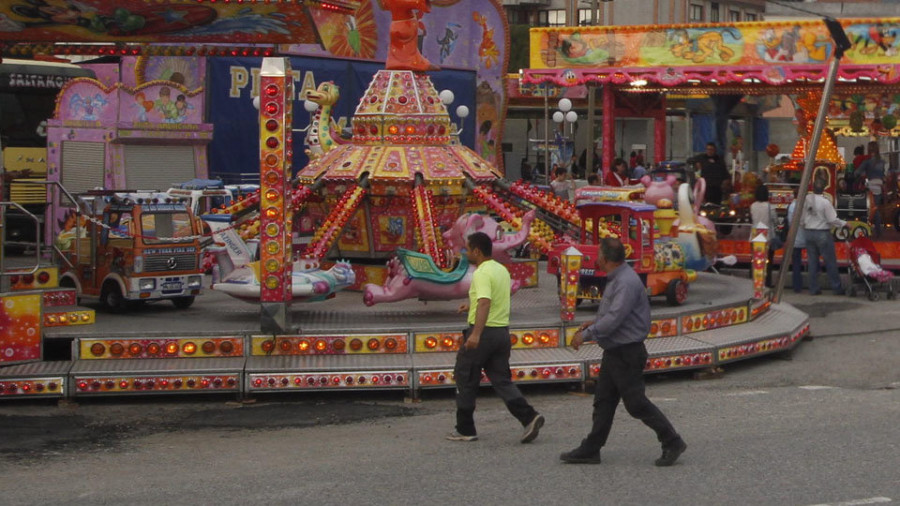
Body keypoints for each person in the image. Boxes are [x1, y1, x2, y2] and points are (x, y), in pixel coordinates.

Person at [560, 237, 687, 467]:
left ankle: (672, 440)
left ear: (606, 259)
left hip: (627, 352)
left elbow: (616, 318)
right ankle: (591, 448)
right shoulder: (618, 278)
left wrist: (587, 334)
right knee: (604, 401)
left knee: (636, 403)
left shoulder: (626, 282)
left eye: (599, 254)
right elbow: (612, 314)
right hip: (615, 350)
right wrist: (595, 322)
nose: (597, 257)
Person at [447, 232, 545, 443]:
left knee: (465, 375)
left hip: (485, 333)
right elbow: (497, 297)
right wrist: (470, 306)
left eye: (467, 249)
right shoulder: (501, 270)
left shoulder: (481, 273)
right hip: (501, 332)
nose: (465, 253)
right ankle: (529, 416)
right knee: (501, 379)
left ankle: (465, 428)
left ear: (477, 251)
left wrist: (475, 334)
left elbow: (485, 302)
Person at [802, 180, 846, 296]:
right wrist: (844, 224)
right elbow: (832, 219)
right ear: (824, 189)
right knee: (830, 261)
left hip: (808, 232)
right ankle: (836, 287)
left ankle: (813, 288)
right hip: (822, 233)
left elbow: (801, 217)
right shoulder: (825, 202)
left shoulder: (806, 199)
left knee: (812, 262)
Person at [749, 185, 783, 287]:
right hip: (766, 235)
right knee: (768, 261)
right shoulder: (769, 206)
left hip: (755, 234)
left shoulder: (753, 205)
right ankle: (767, 283)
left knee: (755, 260)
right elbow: (775, 220)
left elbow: (752, 218)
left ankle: (754, 281)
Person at [855, 141, 886, 237]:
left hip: (871, 186)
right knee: (875, 207)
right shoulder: (881, 161)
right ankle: (878, 230)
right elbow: (883, 174)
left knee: (870, 209)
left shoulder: (867, 162)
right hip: (879, 186)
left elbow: (857, 172)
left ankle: (875, 230)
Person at [787, 191, 807, 293]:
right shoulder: (805, 207)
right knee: (812, 260)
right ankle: (813, 284)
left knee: (796, 263)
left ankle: (797, 286)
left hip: (795, 238)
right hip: (806, 236)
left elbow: (790, 222)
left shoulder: (791, 207)